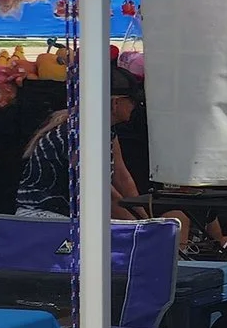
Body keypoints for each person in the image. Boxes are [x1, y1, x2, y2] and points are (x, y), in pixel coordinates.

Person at [17, 65, 146, 219]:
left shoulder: (107, 131)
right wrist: (138, 228)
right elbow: (102, 193)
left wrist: (145, 216)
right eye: (132, 101)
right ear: (115, 103)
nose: (135, 106)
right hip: (43, 216)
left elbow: (121, 176)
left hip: (68, 214)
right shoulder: (77, 135)